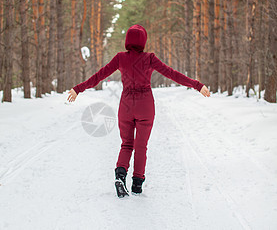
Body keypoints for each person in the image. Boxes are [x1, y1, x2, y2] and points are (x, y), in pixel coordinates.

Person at [67, 24, 210, 198]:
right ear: (143, 41)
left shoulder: (120, 58)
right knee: (141, 146)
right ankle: (137, 184)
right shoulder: (149, 58)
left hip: (126, 105)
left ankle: (120, 175)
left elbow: (99, 75)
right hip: (145, 106)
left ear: (127, 40)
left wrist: (78, 89)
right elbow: (173, 74)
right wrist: (197, 85)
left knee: (127, 144)